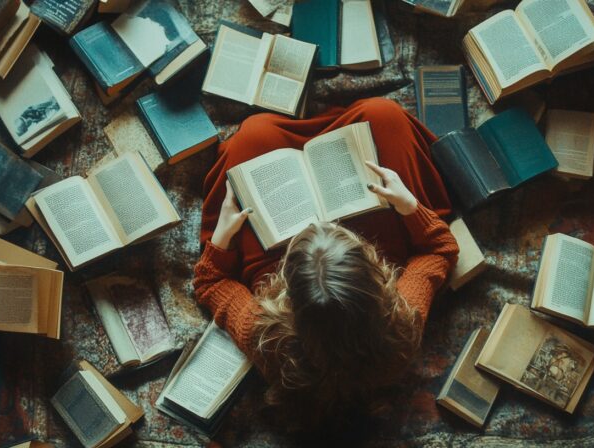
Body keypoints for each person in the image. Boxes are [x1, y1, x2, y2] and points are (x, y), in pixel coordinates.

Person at [193, 98, 460, 430]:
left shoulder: (267, 338)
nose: (326, 222)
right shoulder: (402, 324)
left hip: (276, 260)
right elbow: (441, 249)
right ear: (375, 280)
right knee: (382, 114)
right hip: (369, 251)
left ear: (288, 293)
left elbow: (209, 282)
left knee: (254, 134)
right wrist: (409, 206)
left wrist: (222, 238)